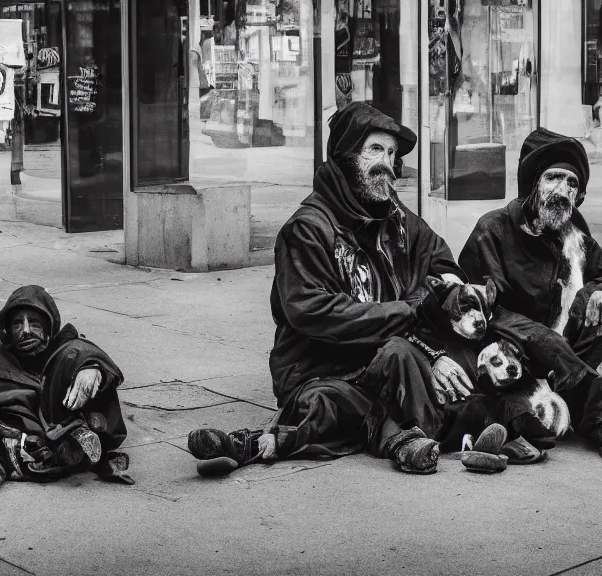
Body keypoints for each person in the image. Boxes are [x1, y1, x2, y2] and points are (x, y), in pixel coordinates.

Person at [186, 102, 477, 476]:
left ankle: (264, 444)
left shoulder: (397, 219)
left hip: (387, 359)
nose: (387, 163)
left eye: (391, 153)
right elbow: (314, 311)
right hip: (320, 369)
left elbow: (440, 263)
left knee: (418, 368)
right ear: (345, 156)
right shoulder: (307, 229)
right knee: (333, 399)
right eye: (374, 150)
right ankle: (399, 436)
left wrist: (442, 302)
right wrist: (409, 311)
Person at [459, 128, 602, 465]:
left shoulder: (571, 232)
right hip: (514, 355)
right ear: (533, 183)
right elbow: (487, 313)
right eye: (554, 178)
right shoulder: (493, 229)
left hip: (566, 352)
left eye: (572, 184)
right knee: (538, 348)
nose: (563, 190)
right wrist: (543, 340)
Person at [0, 285, 133, 493]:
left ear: (49, 325)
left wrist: (92, 368)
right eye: (17, 324)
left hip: (59, 429)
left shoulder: (68, 350)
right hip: (18, 437)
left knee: (75, 359)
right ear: (7, 330)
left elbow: (86, 353)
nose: (25, 331)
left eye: (34, 324)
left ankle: (62, 446)